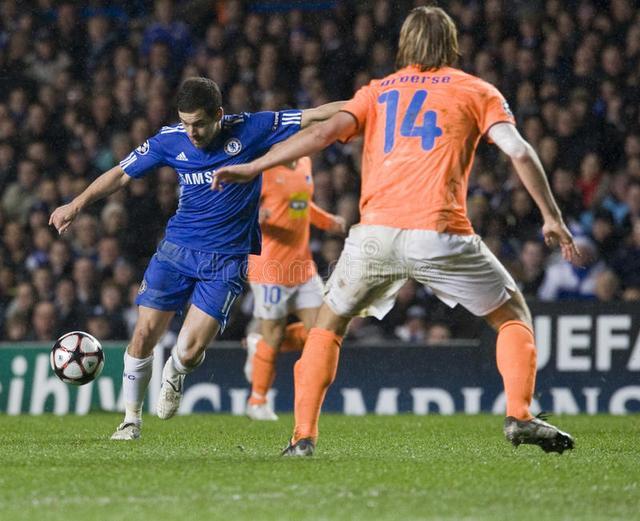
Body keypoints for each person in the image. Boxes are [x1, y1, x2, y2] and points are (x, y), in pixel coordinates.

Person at [213, 7, 580, 456]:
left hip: (375, 235)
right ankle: (519, 413)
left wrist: (253, 165)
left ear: (404, 43)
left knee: (327, 326)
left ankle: (303, 437)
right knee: (512, 316)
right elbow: (519, 152)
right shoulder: (476, 90)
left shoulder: (377, 91)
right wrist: (551, 216)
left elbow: (322, 135)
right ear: (452, 43)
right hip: (440, 232)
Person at [50, 77, 344, 440]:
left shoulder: (252, 129)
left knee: (188, 352)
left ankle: (175, 372)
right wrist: (77, 203)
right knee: (143, 334)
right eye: (185, 122)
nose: (191, 132)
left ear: (219, 114)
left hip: (226, 261)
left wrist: (365, 106)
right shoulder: (170, 139)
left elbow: (314, 115)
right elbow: (121, 174)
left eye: (200, 124)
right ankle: (130, 420)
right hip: (176, 252)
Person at [244, 157, 345, 421]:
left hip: (303, 268)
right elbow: (235, 207)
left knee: (323, 331)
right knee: (275, 335)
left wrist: (327, 221)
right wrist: (254, 216)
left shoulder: (305, 164)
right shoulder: (263, 170)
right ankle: (257, 401)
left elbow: (301, 204)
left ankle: (258, 344)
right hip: (270, 270)